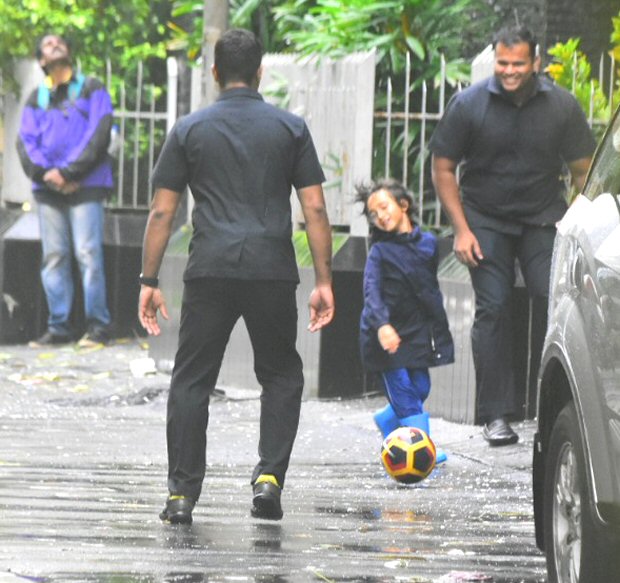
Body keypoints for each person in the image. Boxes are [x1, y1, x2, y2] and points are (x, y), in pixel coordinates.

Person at [138, 29, 334, 525]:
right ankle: (269, 477)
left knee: (191, 380)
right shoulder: (290, 128)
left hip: (210, 269)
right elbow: (314, 207)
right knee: (281, 375)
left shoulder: (190, 130)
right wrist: (324, 281)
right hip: (271, 270)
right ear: (261, 71)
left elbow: (162, 213)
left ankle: (181, 494)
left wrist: (149, 278)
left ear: (215, 73)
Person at [429, 25, 596, 446]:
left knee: (555, 301)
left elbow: (583, 171)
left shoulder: (562, 106)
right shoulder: (469, 104)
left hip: (544, 219)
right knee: (495, 307)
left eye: (518, 63)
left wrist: (580, 219)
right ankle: (496, 415)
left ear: (536, 62)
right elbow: (443, 167)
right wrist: (461, 230)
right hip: (484, 220)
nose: (509, 71)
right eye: (502, 63)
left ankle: (554, 406)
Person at [17, 34, 114, 348]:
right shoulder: (37, 97)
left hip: (86, 185)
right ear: (41, 60)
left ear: (70, 52)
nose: (54, 45)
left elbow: (101, 131)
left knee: (89, 255)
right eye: (46, 44)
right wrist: (50, 174)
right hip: (49, 188)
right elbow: (25, 143)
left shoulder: (92, 87)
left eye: (59, 42)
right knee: (55, 256)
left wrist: (70, 172)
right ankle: (59, 328)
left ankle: (98, 327)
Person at [357, 179, 454, 464]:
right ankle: (424, 453)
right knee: (405, 394)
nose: (381, 216)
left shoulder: (428, 244)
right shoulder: (379, 252)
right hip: (384, 334)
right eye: (374, 214)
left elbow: (427, 287)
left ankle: (388, 422)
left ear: (403, 205)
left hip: (414, 331)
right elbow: (370, 292)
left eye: (384, 207)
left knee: (421, 386)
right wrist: (383, 325)